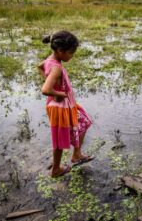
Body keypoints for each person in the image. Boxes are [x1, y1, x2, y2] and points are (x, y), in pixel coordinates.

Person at [39, 31, 93, 177]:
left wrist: (52, 83)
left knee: (84, 121)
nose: (72, 56)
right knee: (60, 139)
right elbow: (45, 89)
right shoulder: (56, 67)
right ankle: (56, 169)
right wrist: (58, 93)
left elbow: (40, 66)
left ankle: (77, 154)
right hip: (59, 107)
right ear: (60, 51)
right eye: (70, 53)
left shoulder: (50, 60)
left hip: (66, 105)